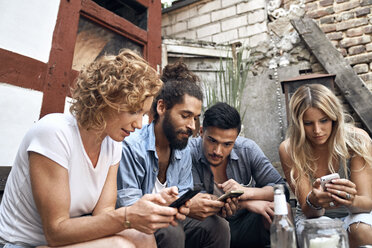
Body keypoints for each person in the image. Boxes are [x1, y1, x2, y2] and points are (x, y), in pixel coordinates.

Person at [0, 50, 185, 248]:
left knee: (143, 237)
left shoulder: (113, 144)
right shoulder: (54, 133)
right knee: (120, 247)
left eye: (142, 113)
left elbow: (103, 215)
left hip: (66, 242)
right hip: (21, 243)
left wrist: (147, 205)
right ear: (105, 100)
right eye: (133, 111)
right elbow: (55, 231)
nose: (139, 124)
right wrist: (128, 216)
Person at [117, 62, 230, 248]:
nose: (192, 126)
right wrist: (182, 207)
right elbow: (129, 206)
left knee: (218, 226)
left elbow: (183, 194)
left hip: (169, 217)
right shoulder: (132, 146)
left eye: (195, 118)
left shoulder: (182, 149)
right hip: (134, 222)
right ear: (161, 107)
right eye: (185, 116)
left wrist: (203, 203)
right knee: (171, 229)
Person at [279, 84, 372, 248]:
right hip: (313, 218)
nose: (317, 130)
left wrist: (349, 199)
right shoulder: (289, 149)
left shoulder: (356, 140)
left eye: (324, 120)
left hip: (355, 213)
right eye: (308, 123)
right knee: (323, 238)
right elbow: (308, 211)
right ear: (298, 123)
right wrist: (315, 200)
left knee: (361, 230)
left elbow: (366, 203)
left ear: (334, 117)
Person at [189, 102, 289, 248]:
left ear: (236, 139)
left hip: (245, 224)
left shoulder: (247, 148)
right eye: (212, 141)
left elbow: (282, 189)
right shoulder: (187, 153)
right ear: (201, 132)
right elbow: (199, 203)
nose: (218, 150)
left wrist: (248, 193)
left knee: (281, 208)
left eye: (227, 144)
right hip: (209, 225)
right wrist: (247, 204)